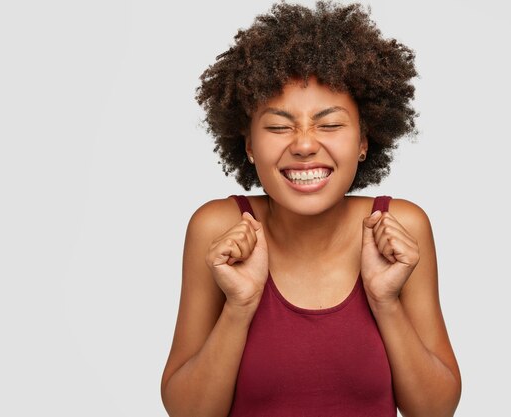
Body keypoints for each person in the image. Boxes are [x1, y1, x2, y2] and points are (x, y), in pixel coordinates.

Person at [161, 2, 461, 416]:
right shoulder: (217, 228)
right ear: (248, 144)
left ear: (363, 140)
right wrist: (239, 307)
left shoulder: (399, 227)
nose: (303, 144)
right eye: (279, 126)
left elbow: (435, 410)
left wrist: (385, 302)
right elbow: (187, 412)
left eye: (330, 124)